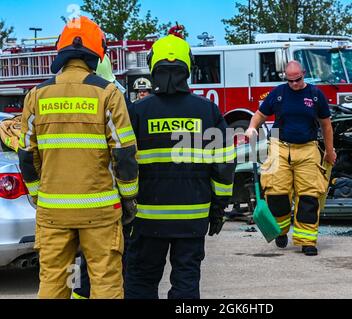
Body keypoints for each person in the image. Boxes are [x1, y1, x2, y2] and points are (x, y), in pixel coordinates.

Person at [18, 16, 139, 299]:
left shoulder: (36, 95)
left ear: (61, 52)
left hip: (53, 211)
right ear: (97, 52)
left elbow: (26, 156)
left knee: (52, 282)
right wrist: (129, 198)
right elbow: (124, 154)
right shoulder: (107, 93)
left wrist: (38, 197)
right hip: (100, 211)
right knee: (106, 281)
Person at [125, 29, 236, 299]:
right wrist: (219, 208)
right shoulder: (207, 110)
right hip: (193, 218)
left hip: (147, 219)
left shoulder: (137, 111)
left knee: (140, 281)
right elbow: (223, 164)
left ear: (153, 66)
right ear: (188, 67)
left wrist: (124, 208)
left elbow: (122, 161)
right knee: (186, 283)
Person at [246, 61, 336, 256]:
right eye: (290, 81)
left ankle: (307, 241)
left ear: (304, 74)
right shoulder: (278, 93)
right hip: (280, 147)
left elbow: (326, 125)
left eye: (298, 80)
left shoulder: (315, 94)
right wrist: (252, 127)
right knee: (276, 193)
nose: (294, 84)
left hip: (307, 149)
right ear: (285, 78)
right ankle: (280, 231)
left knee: (308, 197)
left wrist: (330, 151)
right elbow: (260, 115)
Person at [71, 55, 137, 299]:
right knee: (109, 266)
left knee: (78, 267)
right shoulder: (114, 100)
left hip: (64, 205)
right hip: (104, 203)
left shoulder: (56, 100)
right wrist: (130, 198)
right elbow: (126, 154)